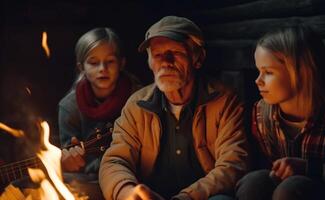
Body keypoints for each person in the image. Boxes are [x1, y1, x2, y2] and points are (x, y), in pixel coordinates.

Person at [99, 16, 248, 200]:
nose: (166, 61)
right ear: (149, 63)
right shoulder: (136, 105)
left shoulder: (225, 101)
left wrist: (186, 198)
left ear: (198, 58)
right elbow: (115, 160)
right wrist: (126, 190)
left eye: (175, 52)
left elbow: (233, 164)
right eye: (157, 54)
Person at [235, 25, 325, 200]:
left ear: (302, 73)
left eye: (268, 72)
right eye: (259, 71)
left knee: (291, 189)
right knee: (253, 182)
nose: (258, 81)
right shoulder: (260, 114)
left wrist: (308, 168)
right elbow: (262, 165)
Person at [58, 27, 141, 199]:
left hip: (134, 176)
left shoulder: (140, 98)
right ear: (81, 67)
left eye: (110, 61)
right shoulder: (69, 107)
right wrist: (68, 162)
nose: (102, 68)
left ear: (122, 63)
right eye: (94, 63)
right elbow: (69, 160)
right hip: (89, 180)